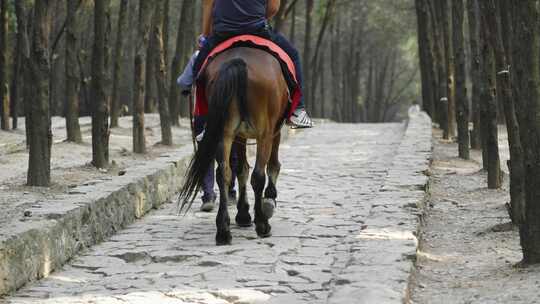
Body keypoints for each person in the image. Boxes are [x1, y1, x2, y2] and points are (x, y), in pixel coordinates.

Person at [193, 0, 313, 128]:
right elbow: (273, 8)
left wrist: (205, 35)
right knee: (293, 55)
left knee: (198, 69)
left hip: (223, 32)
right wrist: (253, 17)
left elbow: (208, 4)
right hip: (256, 29)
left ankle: (203, 122)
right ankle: (298, 110)